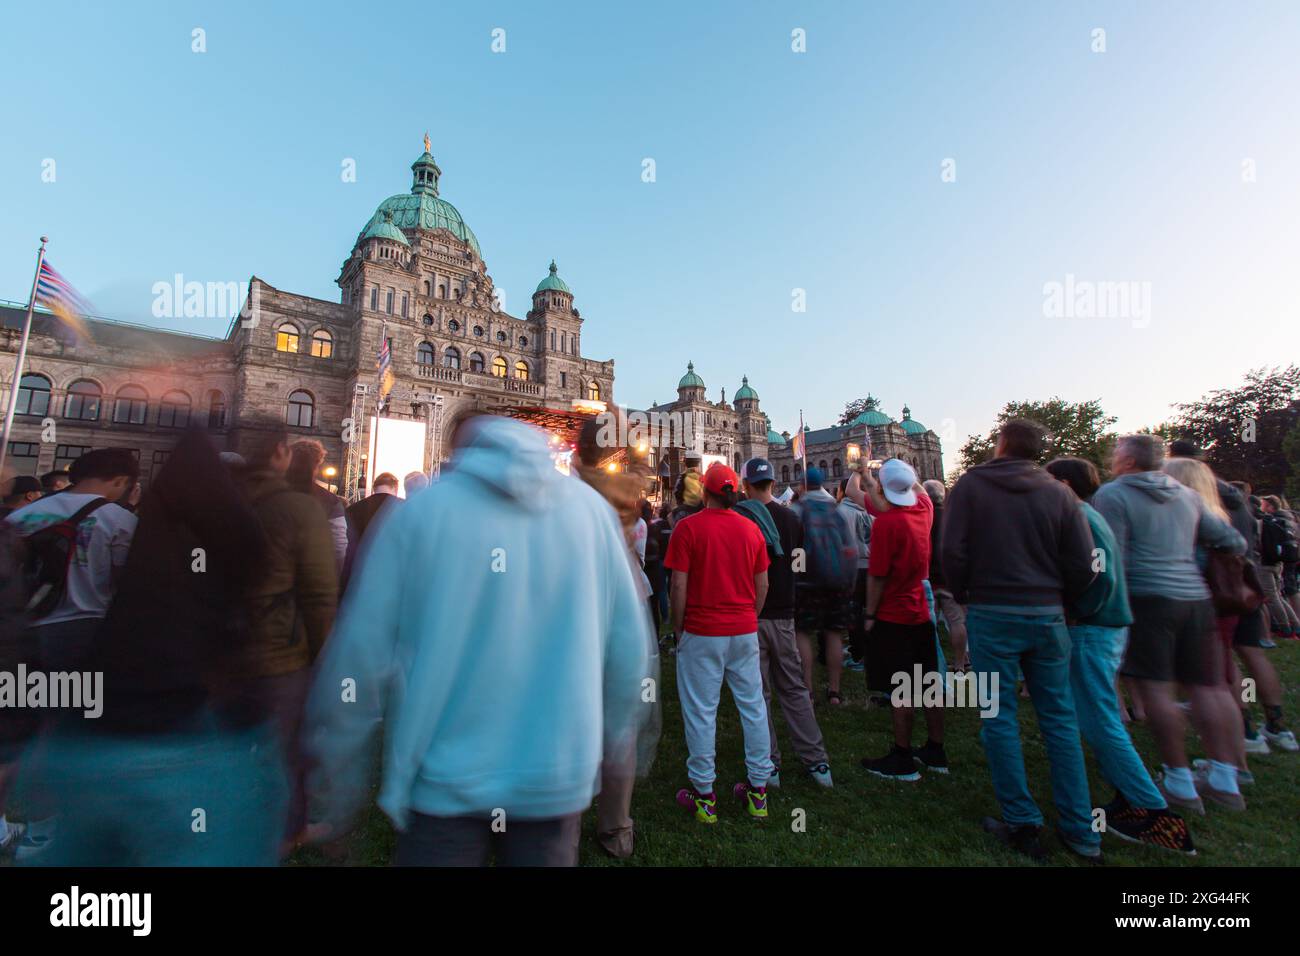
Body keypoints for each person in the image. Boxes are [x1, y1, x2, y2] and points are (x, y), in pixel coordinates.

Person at [305, 415, 650, 866]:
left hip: (445, 780)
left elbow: (360, 654)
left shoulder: (421, 514)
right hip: (552, 777)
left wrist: (337, 784)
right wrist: (619, 736)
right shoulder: (589, 513)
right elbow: (629, 648)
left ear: (458, 447)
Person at [17, 429, 287, 865]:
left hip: (72, 676)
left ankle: (36, 830)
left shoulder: (26, 518)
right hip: (166, 715)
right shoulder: (127, 524)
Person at [942, 419, 1100, 860]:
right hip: (1048, 615)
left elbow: (951, 552)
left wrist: (968, 595)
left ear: (1002, 444)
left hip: (992, 612)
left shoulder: (972, 485)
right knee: (1060, 719)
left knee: (999, 716)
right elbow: (1087, 563)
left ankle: (1022, 821)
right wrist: (1061, 599)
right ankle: (1081, 831)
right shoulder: (1061, 493)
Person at [1045, 457, 1194, 854]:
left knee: (1100, 720)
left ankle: (1156, 813)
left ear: (1062, 483)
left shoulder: (1079, 517)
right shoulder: (1086, 514)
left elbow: (1094, 576)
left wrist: (1075, 613)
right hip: (1103, 625)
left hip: (1094, 628)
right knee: (1096, 717)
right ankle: (1129, 799)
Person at [1092, 434, 1246, 813]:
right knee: (1207, 687)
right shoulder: (1187, 495)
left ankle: (1179, 781)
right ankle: (1226, 781)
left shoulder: (1114, 494)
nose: (1113, 458)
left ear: (1128, 461)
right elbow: (1233, 541)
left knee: (1157, 689)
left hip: (1147, 601)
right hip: (1196, 600)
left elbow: (1111, 555)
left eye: (1117, 453)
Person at [3, 448, 139, 860]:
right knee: (64, 735)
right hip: (80, 636)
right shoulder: (118, 520)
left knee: (17, 732)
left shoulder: (20, 517)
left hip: (16, 635)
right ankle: (50, 831)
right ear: (120, 480)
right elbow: (125, 586)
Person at [239, 420, 339, 850]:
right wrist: (324, 652)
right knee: (286, 737)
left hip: (223, 646)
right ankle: (286, 829)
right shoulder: (311, 506)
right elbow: (321, 588)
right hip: (282, 644)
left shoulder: (223, 499)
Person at [666, 462, 774, 824]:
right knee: (753, 707)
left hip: (701, 630)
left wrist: (679, 627)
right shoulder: (752, 530)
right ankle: (758, 791)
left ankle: (704, 796)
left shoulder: (687, 528)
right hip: (743, 629)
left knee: (701, 711)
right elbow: (763, 586)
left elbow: (678, 586)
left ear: (706, 493)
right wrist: (749, 616)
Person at [846, 460, 945, 780]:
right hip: (921, 611)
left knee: (902, 687)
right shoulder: (924, 509)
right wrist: (875, 472)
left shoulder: (887, 524)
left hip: (893, 614)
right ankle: (935, 750)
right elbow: (910, 488)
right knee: (929, 682)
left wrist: (871, 615)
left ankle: (902, 758)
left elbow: (876, 577)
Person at [737, 458, 832, 789]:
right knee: (793, 687)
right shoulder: (792, 519)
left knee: (758, 692)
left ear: (745, 486)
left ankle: (768, 765)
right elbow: (799, 562)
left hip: (751, 614)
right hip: (784, 614)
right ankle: (817, 762)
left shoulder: (741, 518)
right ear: (774, 485)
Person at [791, 467, 853, 706]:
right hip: (837, 580)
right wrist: (847, 578)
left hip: (807, 582)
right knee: (834, 634)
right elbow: (850, 548)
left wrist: (796, 575)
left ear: (803, 486)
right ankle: (834, 691)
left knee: (803, 633)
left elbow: (796, 549)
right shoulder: (837, 511)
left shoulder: (798, 510)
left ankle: (808, 689)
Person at [922, 479, 968, 671]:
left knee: (928, 627)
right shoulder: (956, 518)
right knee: (957, 622)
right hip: (951, 579)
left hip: (929, 579)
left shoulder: (922, 516)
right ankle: (960, 664)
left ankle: (934, 666)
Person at [288, 439, 348, 571]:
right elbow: (339, 547)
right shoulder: (330, 501)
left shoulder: (270, 491)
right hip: (313, 574)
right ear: (317, 464)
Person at [838, 475, 872, 674]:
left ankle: (858, 654)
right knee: (871, 612)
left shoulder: (841, 511)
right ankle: (872, 651)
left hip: (851, 568)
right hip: (873, 568)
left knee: (853, 613)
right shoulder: (873, 509)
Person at [1259, 495, 1300, 639]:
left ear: (1270, 506)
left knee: (1272, 596)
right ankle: (1295, 625)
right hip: (1281, 562)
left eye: (1263, 504)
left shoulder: (1267, 521)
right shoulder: (1289, 520)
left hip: (1266, 562)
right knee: (1278, 595)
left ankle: (1285, 627)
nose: (1261, 507)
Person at [346, 472, 400, 542]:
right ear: (395, 488)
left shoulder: (352, 509)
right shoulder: (405, 507)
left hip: (362, 552)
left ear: (374, 488)